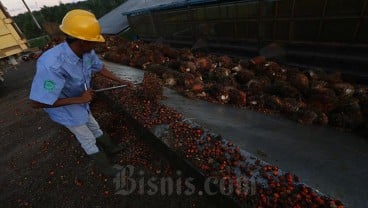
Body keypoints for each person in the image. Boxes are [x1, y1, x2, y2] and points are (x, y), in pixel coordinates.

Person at [29, 9, 133, 177]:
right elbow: (36, 102)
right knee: (86, 137)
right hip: (64, 108)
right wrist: (77, 99)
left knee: (93, 125)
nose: (97, 45)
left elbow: (99, 68)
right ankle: (106, 167)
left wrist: (121, 81)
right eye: (94, 41)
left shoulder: (86, 52)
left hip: (81, 101)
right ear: (82, 41)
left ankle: (112, 149)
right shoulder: (52, 65)